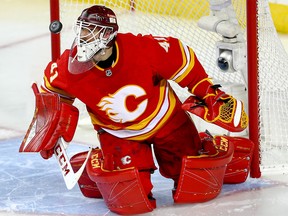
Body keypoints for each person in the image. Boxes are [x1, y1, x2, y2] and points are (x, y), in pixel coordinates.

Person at [25, 5, 254, 215]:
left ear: (108, 35)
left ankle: (211, 147)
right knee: (127, 201)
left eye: (91, 30)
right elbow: (53, 95)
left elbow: (183, 61)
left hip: (167, 123)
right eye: (82, 29)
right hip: (118, 134)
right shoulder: (68, 67)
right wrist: (50, 125)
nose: (84, 36)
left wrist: (209, 92)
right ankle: (101, 158)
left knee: (196, 184)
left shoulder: (143, 49)